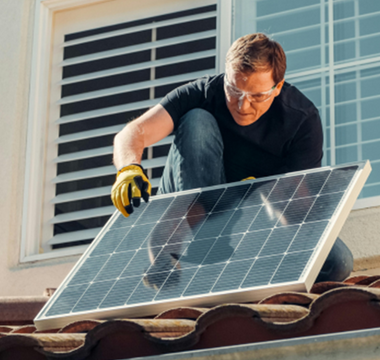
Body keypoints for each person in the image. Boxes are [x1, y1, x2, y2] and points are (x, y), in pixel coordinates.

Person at [111, 33, 353, 283]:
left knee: (336, 262)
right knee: (197, 120)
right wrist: (128, 169)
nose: (242, 105)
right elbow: (133, 133)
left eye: (257, 96)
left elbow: (302, 214)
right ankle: (190, 240)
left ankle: (231, 256)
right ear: (225, 77)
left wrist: (264, 197)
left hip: (254, 220)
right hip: (196, 205)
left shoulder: (301, 120)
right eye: (234, 90)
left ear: (278, 87)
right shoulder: (204, 92)